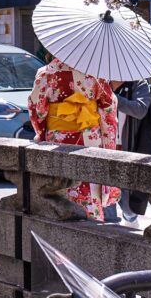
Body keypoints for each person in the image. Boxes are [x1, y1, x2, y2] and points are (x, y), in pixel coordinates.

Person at [28, 56, 120, 221]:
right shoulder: (95, 74)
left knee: (58, 189)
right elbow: (108, 110)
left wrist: (41, 133)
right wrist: (108, 143)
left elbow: (36, 109)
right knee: (89, 189)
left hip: (57, 140)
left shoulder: (46, 73)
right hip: (90, 140)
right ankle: (91, 226)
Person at [113, 79, 151, 226]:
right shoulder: (100, 82)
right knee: (104, 192)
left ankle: (130, 218)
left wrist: (112, 98)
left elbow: (140, 110)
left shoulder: (138, 84)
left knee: (128, 202)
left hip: (128, 146)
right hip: (103, 145)